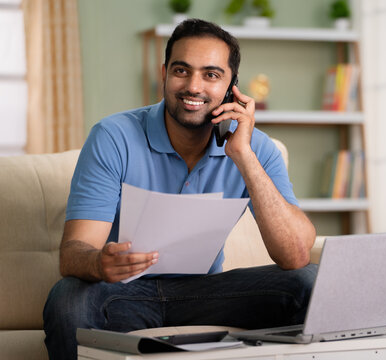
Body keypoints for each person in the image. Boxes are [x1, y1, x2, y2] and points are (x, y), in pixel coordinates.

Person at [42, 18, 317, 360]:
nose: (193, 86)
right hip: (123, 293)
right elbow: (72, 254)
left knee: (311, 283)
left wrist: (243, 155)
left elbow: (295, 256)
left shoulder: (255, 148)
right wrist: (99, 264)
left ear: (232, 87)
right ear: (164, 73)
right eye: (181, 71)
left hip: (206, 293)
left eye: (211, 75)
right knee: (68, 297)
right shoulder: (113, 136)